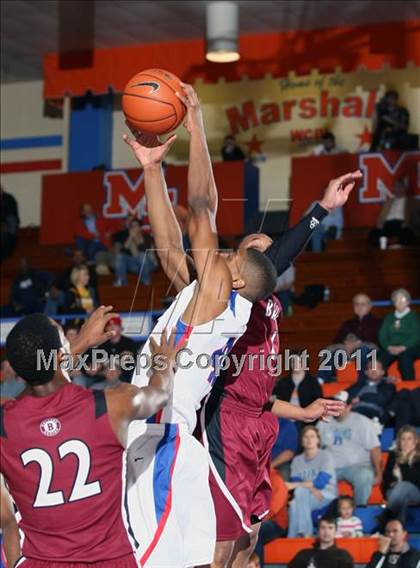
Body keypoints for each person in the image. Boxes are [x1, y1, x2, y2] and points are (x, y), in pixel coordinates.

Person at [124, 83, 352, 568]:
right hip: (155, 425)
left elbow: (203, 207)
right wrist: (152, 168)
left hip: (160, 429)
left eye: (233, 254)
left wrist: (197, 125)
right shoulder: (216, 292)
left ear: (235, 275)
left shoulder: (216, 295)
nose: (224, 251)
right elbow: (167, 242)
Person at [0, 308, 179, 566]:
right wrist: (163, 363)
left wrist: (77, 345)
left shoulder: (5, 424)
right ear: (62, 355)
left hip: (41, 561)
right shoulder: (111, 404)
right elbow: (159, 393)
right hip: (109, 559)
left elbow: (35, 387)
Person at [318, 391, 383, 506]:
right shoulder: (324, 422)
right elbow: (315, 445)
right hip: (331, 466)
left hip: (357, 466)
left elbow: (375, 448)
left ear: (349, 406)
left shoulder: (362, 421)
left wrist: (378, 473)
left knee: (365, 475)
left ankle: (359, 509)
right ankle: (329, 515)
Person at [286, 425, 337, 537]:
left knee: (298, 496)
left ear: (318, 440)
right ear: (301, 441)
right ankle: (301, 535)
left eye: (312, 436)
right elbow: (297, 482)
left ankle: (299, 535)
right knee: (295, 502)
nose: (309, 440)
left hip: (325, 493)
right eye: (306, 437)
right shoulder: (297, 460)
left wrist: (305, 487)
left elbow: (320, 483)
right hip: (309, 494)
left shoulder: (326, 456)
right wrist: (311, 488)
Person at [378, 426, 420, 529]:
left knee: (403, 486)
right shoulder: (393, 455)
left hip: (416, 492)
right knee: (401, 498)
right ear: (399, 441)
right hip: (393, 492)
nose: (406, 442)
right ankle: (397, 531)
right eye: (403, 438)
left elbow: (417, 480)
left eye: (409, 438)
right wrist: (393, 485)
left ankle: (387, 516)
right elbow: (386, 480)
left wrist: (405, 462)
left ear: (416, 441)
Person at [378, 288, 420, 380]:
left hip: (411, 347)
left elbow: (416, 335)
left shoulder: (414, 317)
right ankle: (383, 384)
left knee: (405, 357)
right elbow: (382, 335)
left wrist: (403, 347)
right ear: (394, 302)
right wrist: (388, 346)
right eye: (397, 299)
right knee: (377, 360)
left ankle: (409, 385)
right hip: (392, 347)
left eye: (403, 299)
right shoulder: (389, 317)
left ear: (408, 301)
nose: (400, 302)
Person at [273, 351, 323, 427]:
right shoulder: (283, 382)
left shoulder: (313, 382)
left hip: (305, 420)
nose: (296, 364)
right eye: (293, 361)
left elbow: (318, 402)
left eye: (299, 361)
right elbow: (276, 400)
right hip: (285, 418)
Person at [288, 516, 354, 568]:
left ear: (335, 531)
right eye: (323, 528)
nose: (326, 532)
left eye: (330, 528)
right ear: (318, 531)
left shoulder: (343, 556)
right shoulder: (304, 554)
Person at [368, 179, 417, 247]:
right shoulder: (388, 202)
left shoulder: (412, 202)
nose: (398, 189)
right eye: (396, 187)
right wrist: (380, 225)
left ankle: (392, 241)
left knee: (410, 234)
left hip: (402, 226)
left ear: (404, 188)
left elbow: (415, 218)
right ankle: (391, 241)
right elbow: (380, 218)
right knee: (372, 234)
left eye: (400, 187)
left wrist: (407, 224)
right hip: (387, 225)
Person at [347, 359, 396, 423]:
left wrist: (361, 398)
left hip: (373, 412)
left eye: (377, 368)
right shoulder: (358, 385)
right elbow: (345, 395)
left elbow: (382, 400)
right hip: (353, 411)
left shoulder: (387, 385)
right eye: (370, 368)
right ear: (366, 372)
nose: (373, 370)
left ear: (382, 372)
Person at [95, 315, 139, 383]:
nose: (112, 328)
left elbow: (135, 363)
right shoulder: (102, 344)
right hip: (105, 377)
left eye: (115, 325)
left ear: (121, 328)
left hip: (125, 376)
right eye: (109, 326)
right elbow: (98, 364)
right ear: (106, 329)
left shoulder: (129, 342)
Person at [114, 218, 157, 286]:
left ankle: (146, 281)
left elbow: (144, 250)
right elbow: (122, 252)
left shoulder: (146, 236)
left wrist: (136, 239)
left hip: (149, 264)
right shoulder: (128, 238)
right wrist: (130, 237)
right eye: (132, 226)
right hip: (136, 266)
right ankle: (122, 282)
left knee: (141, 255)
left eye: (136, 226)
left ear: (140, 227)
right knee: (120, 257)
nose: (134, 228)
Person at [0, 185, 19, 260]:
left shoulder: (9, 198)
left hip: (7, 222)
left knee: (9, 223)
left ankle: (6, 251)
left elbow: (10, 214)